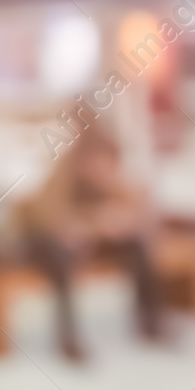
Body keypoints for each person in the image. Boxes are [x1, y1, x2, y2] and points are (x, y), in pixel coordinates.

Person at [15, 121, 163, 362]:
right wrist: (92, 222)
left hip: (86, 244)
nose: (106, 170)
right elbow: (50, 220)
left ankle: (151, 324)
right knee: (61, 260)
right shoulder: (61, 175)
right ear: (85, 161)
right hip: (39, 242)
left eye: (110, 164)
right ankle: (68, 340)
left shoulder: (107, 177)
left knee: (137, 245)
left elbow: (131, 210)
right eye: (100, 164)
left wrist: (117, 219)